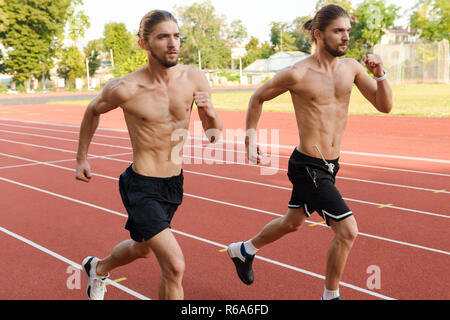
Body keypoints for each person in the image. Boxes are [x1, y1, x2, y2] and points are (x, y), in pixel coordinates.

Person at [227, 4, 392, 300]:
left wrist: (380, 75)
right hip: (307, 166)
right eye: (338, 31)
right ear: (318, 34)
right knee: (348, 231)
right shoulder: (297, 73)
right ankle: (331, 296)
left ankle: (243, 250)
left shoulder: (352, 69)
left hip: (331, 165)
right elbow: (258, 97)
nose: (345, 37)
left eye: (347, 31)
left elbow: (384, 106)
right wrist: (250, 137)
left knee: (292, 223)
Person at [75, 10, 222, 300]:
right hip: (141, 185)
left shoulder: (194, 78)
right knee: (175, 265)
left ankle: (98, 268)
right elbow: (92, 110)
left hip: (173, 184)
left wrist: (210, 114)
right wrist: (82, 157)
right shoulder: (126, 88)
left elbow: (213, 136)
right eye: (163, 37)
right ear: (144, 43)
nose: (173, 43)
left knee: (142, 249)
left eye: (177, 36)